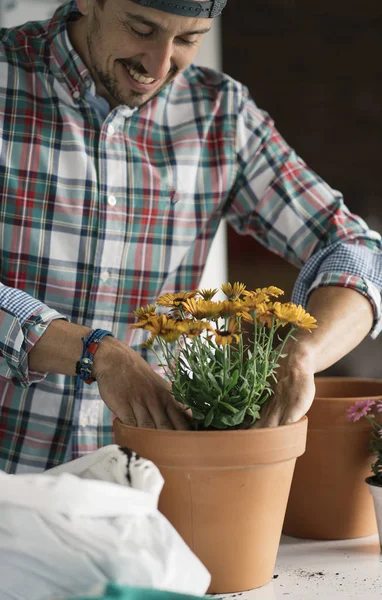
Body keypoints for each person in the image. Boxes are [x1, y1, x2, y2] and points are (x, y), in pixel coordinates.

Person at [0, 0, 380, 474]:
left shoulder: (220, 113)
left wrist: (304, 354)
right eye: (142, 29)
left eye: (187, 40)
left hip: (153, 494)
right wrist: (95, 353)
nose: (159, 66)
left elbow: (353, 246)